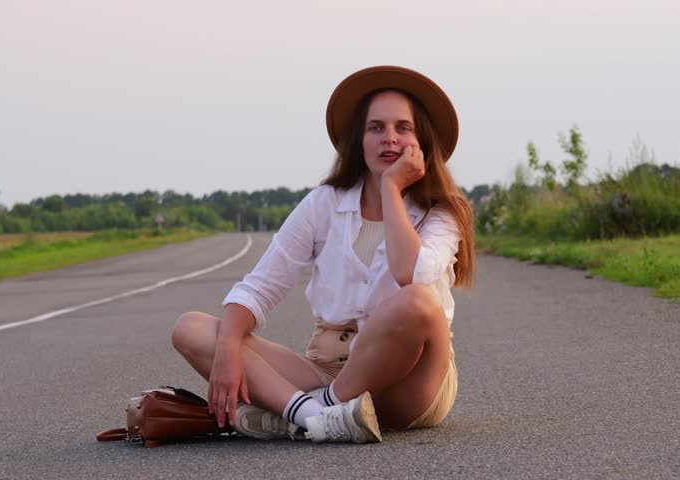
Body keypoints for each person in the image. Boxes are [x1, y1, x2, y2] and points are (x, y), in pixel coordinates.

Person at [171, 65, 476, 443]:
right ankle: (311, 415)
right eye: (375, 128)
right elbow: (260, 287)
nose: (389, 139)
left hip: (409, 382)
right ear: (359, 140)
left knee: (418, 301)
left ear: (421, 141)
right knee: (193, 328)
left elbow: (408, 274)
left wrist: (392, 189)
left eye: (403, 128)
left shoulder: (442, 211)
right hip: (328, 367)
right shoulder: (323, 204)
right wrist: (227, 352)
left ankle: (320, 406)